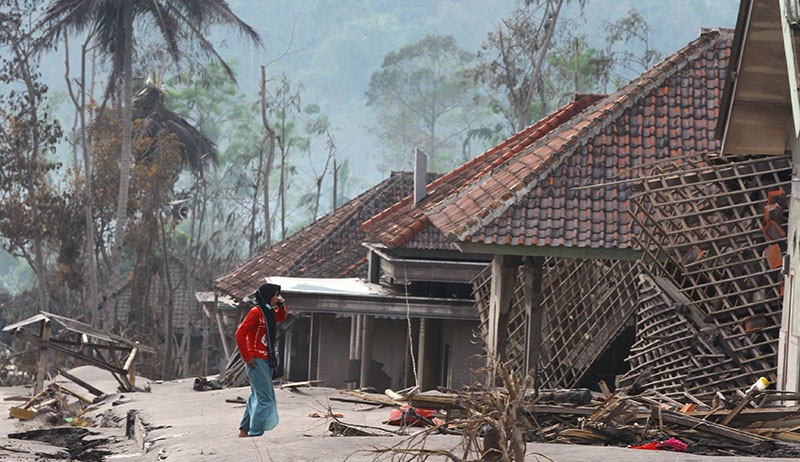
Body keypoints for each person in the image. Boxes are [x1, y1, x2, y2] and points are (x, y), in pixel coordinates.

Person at [235, 282, 287, 437]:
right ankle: (255, 431)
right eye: (275, 295)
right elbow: (240, 334)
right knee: (266, 398)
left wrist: (282, 305)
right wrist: (247, 357)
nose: (276, 298)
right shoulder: (256, 312)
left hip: (267, 358)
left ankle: (244, 430)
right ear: (267, 296)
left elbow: (280, 316)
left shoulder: (269, 311)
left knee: (256, 395)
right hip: (256, 359)